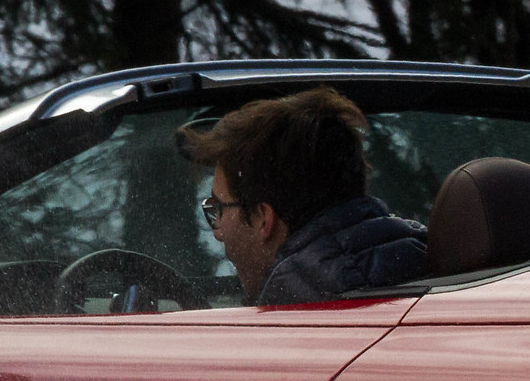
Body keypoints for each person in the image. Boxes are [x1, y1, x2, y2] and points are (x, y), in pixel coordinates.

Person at [178, 87, 428, 304]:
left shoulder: (293, 312)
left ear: (263, 218)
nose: (218, 232)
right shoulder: (429, 261)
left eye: (220, 208)